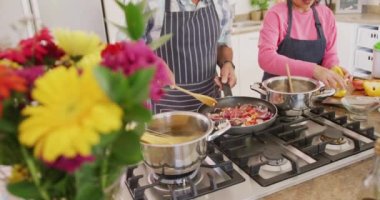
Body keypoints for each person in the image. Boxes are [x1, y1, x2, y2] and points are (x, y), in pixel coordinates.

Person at [144, 0, 237, 114]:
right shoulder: (148, 3)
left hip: (210, 105)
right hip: (164, 109)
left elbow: (223, 43)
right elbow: (126, 50)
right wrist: (153, 62)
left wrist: (227, 63)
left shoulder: (220, 2)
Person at [258, 0, 348, 89]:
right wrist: (314, 70)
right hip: (277, 96)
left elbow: (330, 55)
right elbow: (266, 58)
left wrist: (334, 70)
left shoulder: (326, 14)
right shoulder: (276, 14)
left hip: (312, 97)